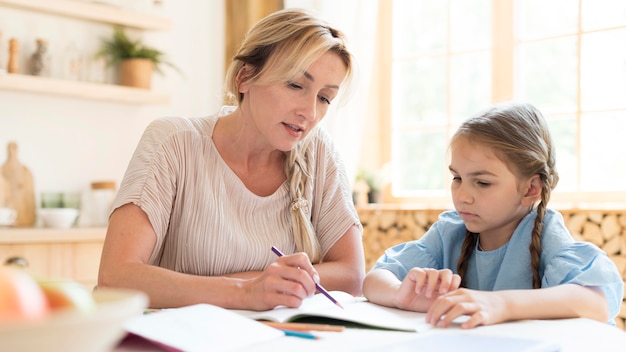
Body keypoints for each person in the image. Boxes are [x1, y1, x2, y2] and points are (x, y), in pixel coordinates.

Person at [98, 8, 365, 310]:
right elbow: (115, 278)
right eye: (295, 85)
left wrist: (256, 286)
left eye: (324, 97)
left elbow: (352, 275)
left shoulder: (319, 153)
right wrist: (245, 292)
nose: (311, 112)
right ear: (244, 78)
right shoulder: (173, 143)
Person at [362, 102, 624, 329]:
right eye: (457, 178)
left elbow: (597, 303)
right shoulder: (450, 231)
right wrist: (401, 295)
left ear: (530, 189)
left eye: (483, 183)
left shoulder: (544, 233)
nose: (462, 195)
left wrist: (500, 303)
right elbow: (373, 279)